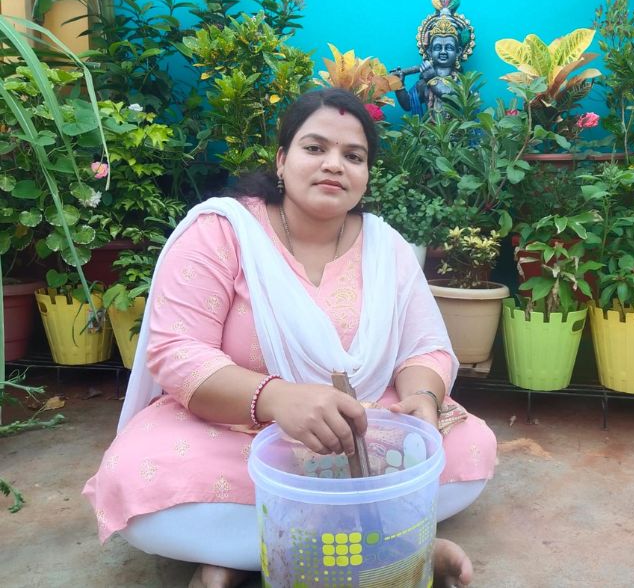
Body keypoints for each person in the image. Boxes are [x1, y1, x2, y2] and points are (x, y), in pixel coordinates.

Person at [82, 88, 495, 587]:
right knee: (136, 472)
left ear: (367, 174)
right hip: (239, 427)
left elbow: (424, 347)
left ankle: (238, 556)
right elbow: (178, 351)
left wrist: (423, 402)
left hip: (363, 425)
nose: (334, 165)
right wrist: (279, 401)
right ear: (282, 159)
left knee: (469, 447)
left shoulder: (385, 247)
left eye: (354, 156)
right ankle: (402, 540)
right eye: (315, 148)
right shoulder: (223, 230)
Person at [392, 0, 475, 116]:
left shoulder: (462, 83)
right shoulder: (423, 83)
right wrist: (399, 85)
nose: (443, 51)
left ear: (459, 51)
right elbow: (408, 104)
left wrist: (432, 79)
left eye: (449, 47)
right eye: (437, 47)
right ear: (429, 51)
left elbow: (450, 95)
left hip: (459, 134)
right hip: (429, 133)